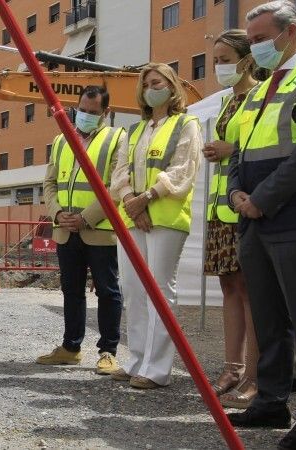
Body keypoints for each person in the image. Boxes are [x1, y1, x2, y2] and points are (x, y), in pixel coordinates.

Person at [225, 2, 296, 447]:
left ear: (291, 32)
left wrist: (261, 199)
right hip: (255, 221)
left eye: (262, 39)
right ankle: (271, 401)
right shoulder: (259, 91)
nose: (255, 48)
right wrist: (236, 194)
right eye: (253, 40)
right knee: (268, 319)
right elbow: (239, 154)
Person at [109, 63, 202, 389]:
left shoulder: (186, 124)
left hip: (166, 218)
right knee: (133, 292)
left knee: (160, 292)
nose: (151, 87)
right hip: (133, 219)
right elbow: (119, 172)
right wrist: (132, 203)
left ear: (172, 86)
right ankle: (136, 359)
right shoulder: (133, 131)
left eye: (157, 82)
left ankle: (157, 368)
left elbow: (183, 169)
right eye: (147, 83)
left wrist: (146, 197)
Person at [36, 85, 124, 376]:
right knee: (71, 290)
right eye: (82, 110)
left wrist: (85, 218)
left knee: (108, 291)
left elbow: (115, 187)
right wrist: (58, 212)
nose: (85, 116)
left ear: (106, 113)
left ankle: (108, 351)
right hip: (65, 230)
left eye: (93, 112)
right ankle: (71, 348)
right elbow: (49, 183)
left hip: (98, 230)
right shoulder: (62, 140)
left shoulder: (116, 139)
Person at [202, 29, 260, 409]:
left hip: (246, 209)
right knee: (229, 290)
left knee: (252, 293)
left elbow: (265, 144)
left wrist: (231, 148)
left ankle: (256, 376)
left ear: (246, 59)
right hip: (220, 211)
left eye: (225, 59)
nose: (219, 66)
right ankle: (232, 367)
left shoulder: (260, 97)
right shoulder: (227, 102)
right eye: (216, 60)